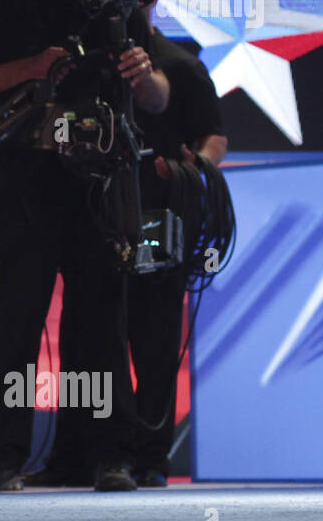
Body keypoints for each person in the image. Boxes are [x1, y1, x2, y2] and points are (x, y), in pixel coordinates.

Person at [0, 0, 170, 492]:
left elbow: (156, 98)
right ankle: (2, 458)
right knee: (17, 319)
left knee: (100, 322)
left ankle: (106, 455)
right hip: (28, 176)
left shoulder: (116, 2)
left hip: (100, 184)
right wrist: (34, 67)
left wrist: (144, 73)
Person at [29, 25, 227, 487]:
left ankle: (150, 460)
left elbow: (214, 136)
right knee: (92, 334)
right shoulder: (83, 66)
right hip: (94, 221)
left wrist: (192, 169)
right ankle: (96, 454)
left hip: (161, 217)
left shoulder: (183, 67)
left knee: (156, 336)